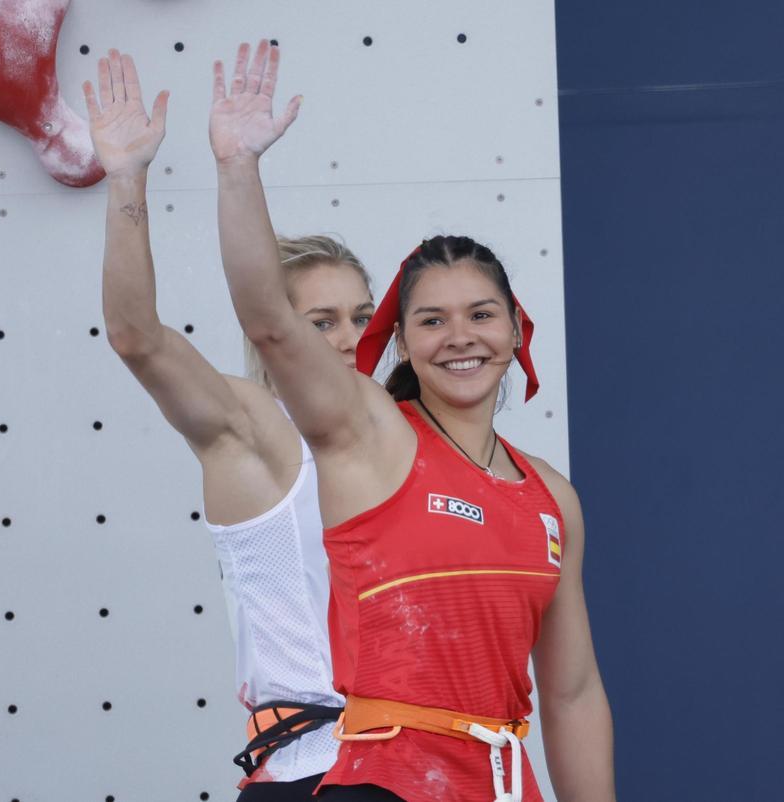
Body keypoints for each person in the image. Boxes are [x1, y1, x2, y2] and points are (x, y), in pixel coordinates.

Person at [211, 40, 615, 802]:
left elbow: (572, 693)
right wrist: (239, 170)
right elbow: (268, 319)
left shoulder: (552, 498)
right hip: (386, 784)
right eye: (432, 320)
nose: (460, 336)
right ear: (402, 341)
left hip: (500, 783)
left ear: (516, 331)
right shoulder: (368, 433)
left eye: (482, 315)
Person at [82, 50, 377, 800]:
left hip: (411, 772)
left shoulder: (394, 436)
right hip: (314, 775)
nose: (347, 339)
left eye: (363, 318)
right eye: (322, 320)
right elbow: (135, 336)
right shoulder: (256, 430)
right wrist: (127, 179)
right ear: (276, 327)